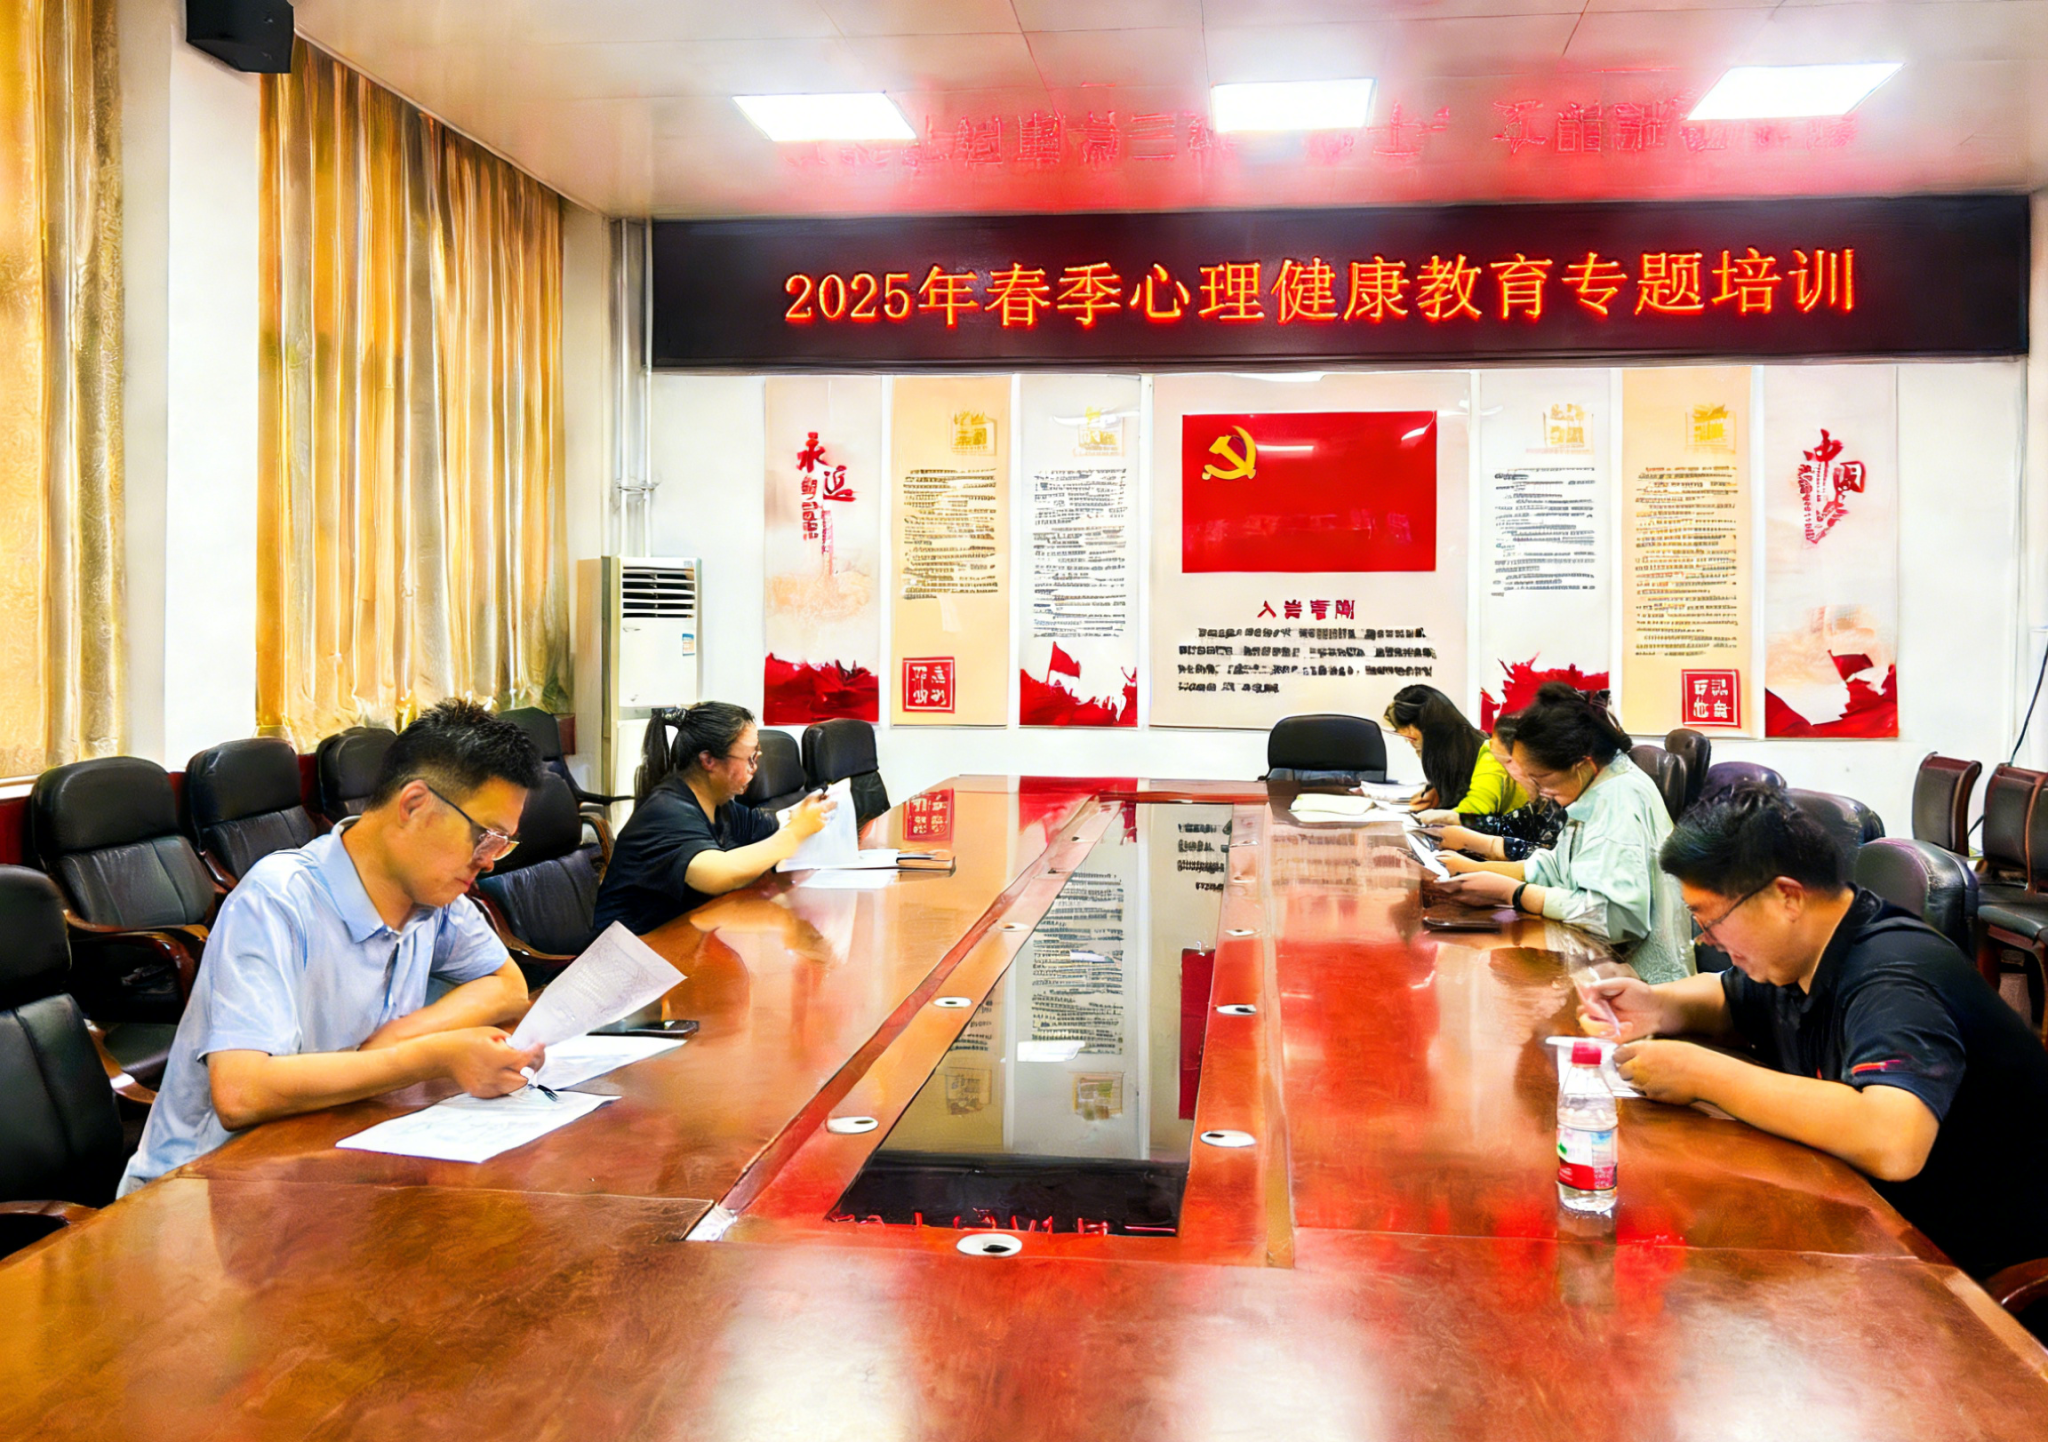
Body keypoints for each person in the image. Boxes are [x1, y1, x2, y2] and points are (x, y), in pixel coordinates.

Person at [1581, 786, 2048, 1286]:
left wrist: (1703, 1075)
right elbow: (1730, 997)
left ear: (1786, 896)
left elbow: (1893, 1139)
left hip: (1967, 1266)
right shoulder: (1804, 948)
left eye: (1711, 920)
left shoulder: (1893, 976)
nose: (1705, 939)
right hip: (1873, 1222)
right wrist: (1657, 1006)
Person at [119, 700, 550, 1195]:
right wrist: (433, 1056)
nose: (489, 861)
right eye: (485, 838)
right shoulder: (277, 900)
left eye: (502, 844)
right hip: (199, 1190)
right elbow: (241, 1092)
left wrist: (402, 1035)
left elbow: (506, 985)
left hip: (324, 1166)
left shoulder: (434, 894)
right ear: (414, 805)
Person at [1431, 683, 1692, 983]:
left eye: (1542, 778)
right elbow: (1559, 866)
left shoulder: (1619, 799)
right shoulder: (1595, 785)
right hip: (1603, 965)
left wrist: (1516, 894)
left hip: (1645, 984)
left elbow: (1617, 918)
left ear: (1582, 763)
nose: (1541, 791)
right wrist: (1484, 877)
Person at [592, 702, 834, 935]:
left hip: (676, 938)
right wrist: (793, 835)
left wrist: (806, 812)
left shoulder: (718, 805)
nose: (755, 768)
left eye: (757, 757)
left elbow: (767, 825)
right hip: (625, 950)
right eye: (749, 758)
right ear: (709, 760)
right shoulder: (665, 812)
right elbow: (719, 873)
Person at [1426, 715, 1562, 862]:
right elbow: (1502, 825)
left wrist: (1483, 847)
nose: (1507, 773)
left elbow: (1547, 862)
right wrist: (1456, 819)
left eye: (1508, 763)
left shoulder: (1564, 806)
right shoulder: (1543, 802)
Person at [1384, 684, 1527, 821]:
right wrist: (1438, 793)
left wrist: (1445, 817)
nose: (1408, 742)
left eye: (1411, 739)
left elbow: (1476, 818)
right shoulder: (1462, 752)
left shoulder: (1489, 755)